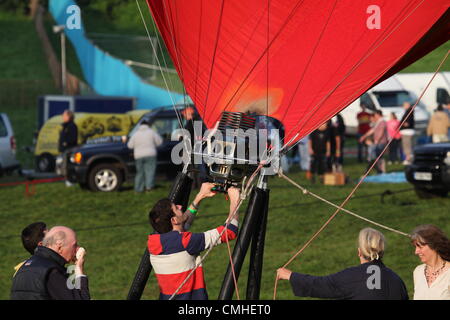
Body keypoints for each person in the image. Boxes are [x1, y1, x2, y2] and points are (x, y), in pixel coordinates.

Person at [148, 182, 240, 300]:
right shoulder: (186, 242)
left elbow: (182, 225)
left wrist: (200, 196)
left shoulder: (154, 241)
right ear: (173, 220)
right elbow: (230, 231)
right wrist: (235, 201)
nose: (180, 206)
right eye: (176, 208)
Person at [277, 228, 409, 300]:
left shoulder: (353, 276)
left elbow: (322, 285)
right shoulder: (396, 280)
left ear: (359, 252)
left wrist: (290, 275)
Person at [11, 226, 90, 300]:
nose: (78, 248)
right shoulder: (52, 272)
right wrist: (79, 271)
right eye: (74, 245)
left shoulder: (23, 268)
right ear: (59, 247)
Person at [411, 224, 450, 300]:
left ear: (434, 246)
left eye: (420, 246)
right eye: (415, 247)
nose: (416, 252)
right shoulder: (418, 271)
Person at [127, 120, 163, 193]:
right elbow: (160, 142)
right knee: (150, 171)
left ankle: (138, 189)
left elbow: (129, 145)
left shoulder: (136, 134)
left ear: (140, 125)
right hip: (150, 154)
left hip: (138, 155)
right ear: (148, 125)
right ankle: (149, 188)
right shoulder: (152, 132)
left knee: (140, 172)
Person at [359, 110, 388, 174]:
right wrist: (364, 136)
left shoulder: (382, 122)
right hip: (378, 142)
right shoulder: (378, 122)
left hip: (381, 142)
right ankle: (380, 171)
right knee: (377, 157)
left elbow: (381, 131)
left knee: (378, 157)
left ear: (378, 115)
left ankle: (381, 170)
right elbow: (372, 130)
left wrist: (377, 140)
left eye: (375, 115)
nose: (374, 116)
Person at [58, 110, 78, 186]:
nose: (62, 116)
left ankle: (71, 181)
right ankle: (67, 180)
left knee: (68, 166)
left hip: (69, 150)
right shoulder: (65, 126)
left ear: (69, 116)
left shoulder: (72, 126)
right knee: (63, 166)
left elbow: (73, 138)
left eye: (64, 115)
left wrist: (66, 143)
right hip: (64, 150)